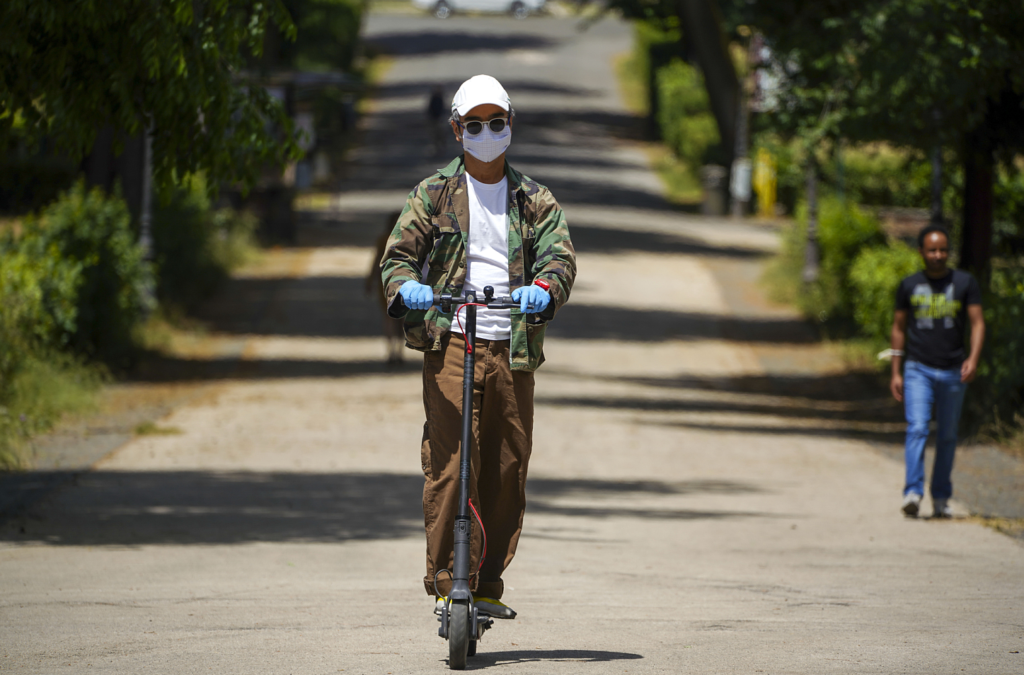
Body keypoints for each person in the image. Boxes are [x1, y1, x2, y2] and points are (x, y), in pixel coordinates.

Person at [380, 74, 576, 618]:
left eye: (495, 122)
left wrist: (544, 288)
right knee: (451, 462)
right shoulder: (432, 194)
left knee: (507, 465)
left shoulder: (534, 199)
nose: (486, 132)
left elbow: (560, 258)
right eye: (475, 124)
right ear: (456, 129)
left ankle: (486, 584)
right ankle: (446, 579)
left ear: (510, 125)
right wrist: (408, 290)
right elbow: (396, 258)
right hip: (452, 341)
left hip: (511, 344)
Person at [890, 224, 984, 518]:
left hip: (953, 370)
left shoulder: (964, 283)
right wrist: (896, 371)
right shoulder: (908, 285)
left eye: (943, 249)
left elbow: (978, 323)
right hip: (918, 368)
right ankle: (913, 492)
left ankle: (941, 496)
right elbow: (898, 328)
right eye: (932, 250)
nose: (938, 255)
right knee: (917, 428)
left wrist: (974, 358)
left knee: (947, 435)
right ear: (921, 252)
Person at [365, 210, 405, 365]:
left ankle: (392, 351)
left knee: (388, 318)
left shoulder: (383, 239)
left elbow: (376, 262)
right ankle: (398, 351)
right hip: (403, 282)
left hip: (386, 282)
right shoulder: (408, 238)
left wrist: (369, 281)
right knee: (400, 319)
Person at [427, 85, 447, 157]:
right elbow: (430, 109)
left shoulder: (439, 99)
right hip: (435, 119)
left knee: (440, 134)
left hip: (439, 119)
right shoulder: (435, 98)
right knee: (435, 134)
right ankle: (437, 147)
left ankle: (440, 147)